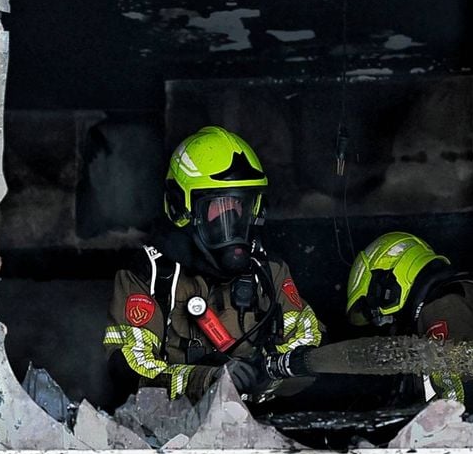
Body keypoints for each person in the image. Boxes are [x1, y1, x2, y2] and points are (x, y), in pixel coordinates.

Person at [102, 125, 322, 401]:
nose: (232, 222)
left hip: (257, 429)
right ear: (181, 208)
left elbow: (308, 344)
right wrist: (206, 379)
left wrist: (268, 377)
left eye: (241, 207)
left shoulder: (268, 270)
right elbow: (130, 367)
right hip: (173, 433)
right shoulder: (149, 275)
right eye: (219, 208)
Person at [345, 231, 473, 410]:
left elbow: (462, 398)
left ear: (389, 285)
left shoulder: (443, 306)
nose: (381, 321)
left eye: (374, 307)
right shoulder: (449, 300)